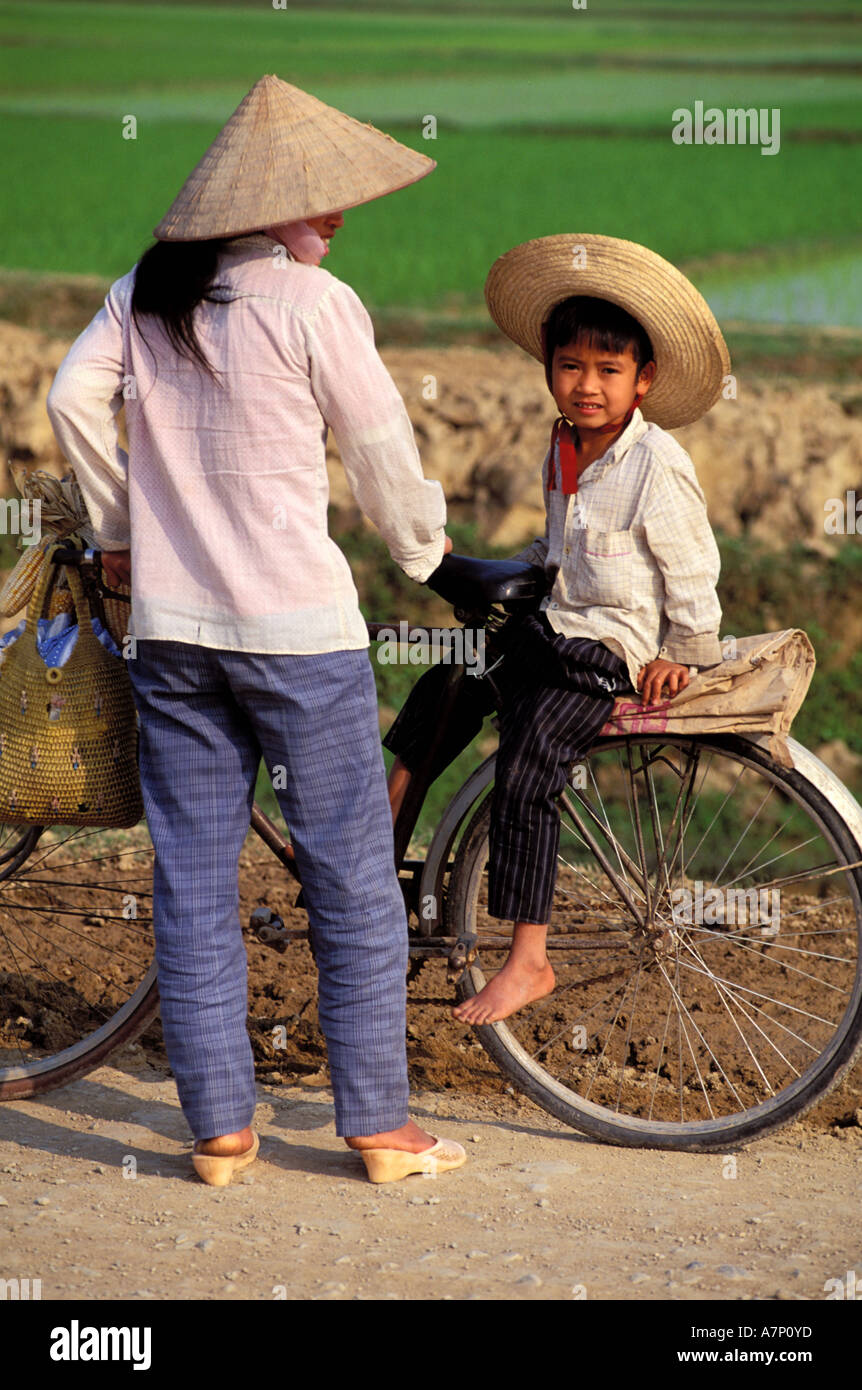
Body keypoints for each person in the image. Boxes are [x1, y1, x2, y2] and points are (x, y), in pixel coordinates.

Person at [46, 74, 466, 1186]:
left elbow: (67, 398)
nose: (336, 215)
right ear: (256, 206)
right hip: (298, 635)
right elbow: (380, 454)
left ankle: (220, 1131)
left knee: (191, 875)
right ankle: (378, 1126)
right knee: (349, 877)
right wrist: (427, 556)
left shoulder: (146, 290)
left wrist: (122, 527)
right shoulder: (314, 305)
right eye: (314, 198)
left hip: (175, 637)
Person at [385, 233, 729, 1026]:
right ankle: (383, 820)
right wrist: (494, 573)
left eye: (609, 372)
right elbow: (556, 548)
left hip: (611, 649)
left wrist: (683, 653)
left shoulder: (655, 465)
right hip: (556, 623)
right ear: (549, 370)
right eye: (571, 367)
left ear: (643, 381)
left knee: (533, 751)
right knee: (453, 676)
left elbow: (692, 571)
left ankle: (528, 956)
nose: (587, 386)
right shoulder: (563, 450)